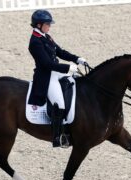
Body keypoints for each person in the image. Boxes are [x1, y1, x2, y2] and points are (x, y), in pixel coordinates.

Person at [27, 9, 87, 147]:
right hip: (47, 77)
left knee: (78, 83)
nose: (50, 26)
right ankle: (58, 137)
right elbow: (47, 64)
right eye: (47, 24)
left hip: (57, 72)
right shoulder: (35, 42)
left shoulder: (46, 36)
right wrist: (67, 68)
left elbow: (59, 52)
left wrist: (76, 59)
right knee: (59, 104)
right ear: (38, 25)